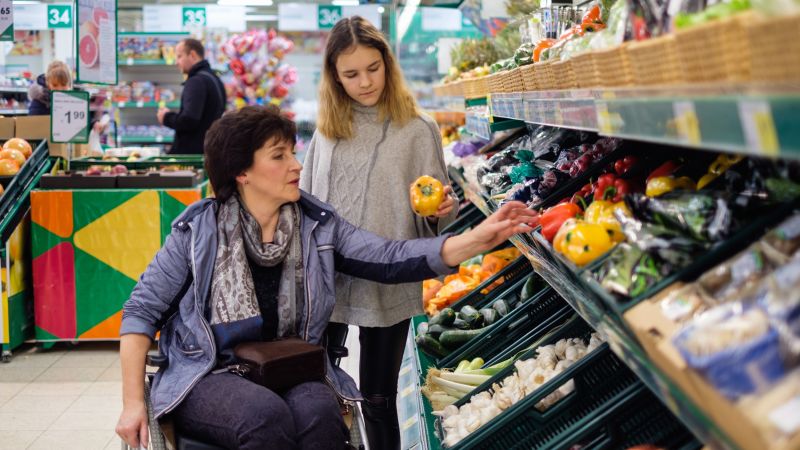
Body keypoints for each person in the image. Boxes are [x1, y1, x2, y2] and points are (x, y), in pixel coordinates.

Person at [115, 105, 538, 450]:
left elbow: (390, 257)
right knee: (264, 419)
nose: (296, 164)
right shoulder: (198, 231)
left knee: (320, 419)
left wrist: (478, 237)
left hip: (291, 367)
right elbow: (141, 312)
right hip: (208, 373)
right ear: (241, 172)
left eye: (292, 152)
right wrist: (133, 402)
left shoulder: (316, 226)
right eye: (279, 156)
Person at [299, 16, 458, 448]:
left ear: (387, 64)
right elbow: (307, 202)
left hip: (391, 279)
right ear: (334, 76)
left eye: (373, 68)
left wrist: (444, 209)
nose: (365, 82)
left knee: (378, 398)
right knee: (319, 391)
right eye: (351, 74)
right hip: (328, 278)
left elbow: (437, 215)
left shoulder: (417, 129)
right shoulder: (327, 132)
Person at [157, 38, 226, 154]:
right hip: (208, 150)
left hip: (192, 155)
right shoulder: (214, 78)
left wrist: (166, 117)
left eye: (179, 56)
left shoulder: (196, 81)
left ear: (192, 55)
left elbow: (189, 120)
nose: (176, 62)